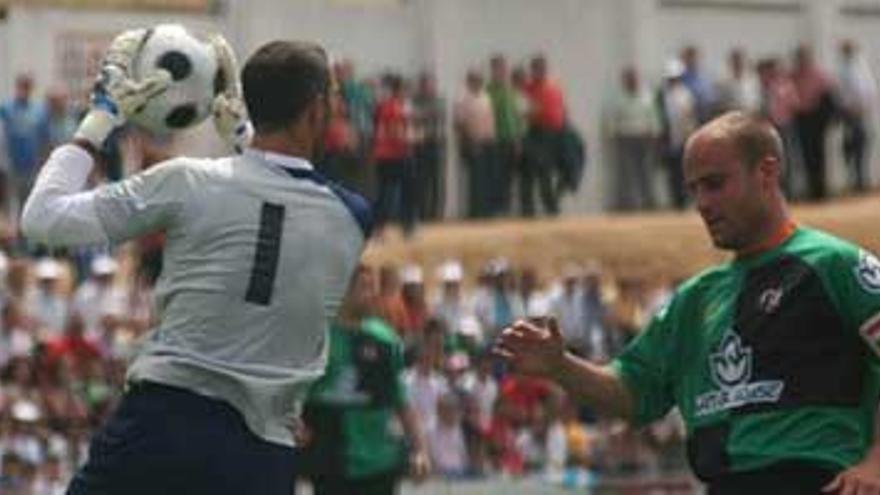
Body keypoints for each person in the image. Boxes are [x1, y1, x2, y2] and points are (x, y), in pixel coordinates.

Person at [21, 32, 371, 495]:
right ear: (312, 110)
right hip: (262, 457)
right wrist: (243, 138)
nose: (338, 110)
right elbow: (279, 196)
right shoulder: (352, 217)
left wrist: (100, 119)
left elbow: (43, 219)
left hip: (161, 428)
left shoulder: (187, 182)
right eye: (333, 99)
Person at [495, 111, 880, 494]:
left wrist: (876, 463)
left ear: (766, 173)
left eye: (714, 184)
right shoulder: (695, 299)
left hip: (817, 481)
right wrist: (561, 367)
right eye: (693, 189)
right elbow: (634, 391)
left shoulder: (833, 264)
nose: (702, 203)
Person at [300, 265, 429, 495]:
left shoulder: (386, 339)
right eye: (363, 288)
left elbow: (402, 401)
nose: (371, 295)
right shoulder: (318, 338)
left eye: (372, 288)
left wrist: (419, 450)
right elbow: (297, 396)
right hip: (332, 463)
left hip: (380, 463)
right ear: (343, 291)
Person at [837, 39, 878, 193]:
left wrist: (861, 107)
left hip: (859, 113)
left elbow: (867, 91)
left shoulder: (859, 67)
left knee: (861, 146)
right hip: (849, 114)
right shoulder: (846, 68)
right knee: (850, 148)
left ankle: (861, 180)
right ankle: (855, 180)